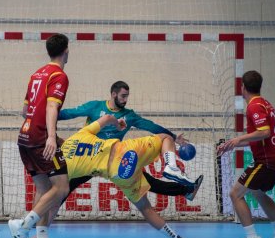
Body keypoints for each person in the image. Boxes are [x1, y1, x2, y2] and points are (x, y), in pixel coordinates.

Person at [61, 114, 194, 238]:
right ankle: (171, 166)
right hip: (125, 152)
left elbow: (57, 193)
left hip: (119, 174)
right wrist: (117, 123)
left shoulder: (64, 166)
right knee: (166, 137)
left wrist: (43, 228)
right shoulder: (79, 134)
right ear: (61, 140)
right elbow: (107, 118)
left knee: (145, 208)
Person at [59, 80, 201, 196]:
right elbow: (70, 113)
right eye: (123, 96)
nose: (126, 100)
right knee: (66, 186)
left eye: (127, 96)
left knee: (146, 182)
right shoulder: (95, 106)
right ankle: (45, 217)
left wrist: (174, 137)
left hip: (113, 159)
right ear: (113, 94)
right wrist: (46, 116)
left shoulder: (129, 115)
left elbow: (150, 126)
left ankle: (187, 190)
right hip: (89, 158)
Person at [8, 33, 72, 238]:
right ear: (66, 49)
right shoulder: (59, 75)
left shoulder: (36, 74)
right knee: (62, 187)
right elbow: (52, 107)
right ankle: (23, 226)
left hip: (24, 136)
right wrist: (52, 137)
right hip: (40, 138)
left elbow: (25, 111)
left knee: (44, 189)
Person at [217, 70, 275, 238]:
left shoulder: (254, 106)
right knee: (258, 192)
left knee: (235, 194)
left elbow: (264, 132)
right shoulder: (266, 103)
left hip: (267, 161)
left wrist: (237, 140)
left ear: (242, 87)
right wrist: (238, 143)